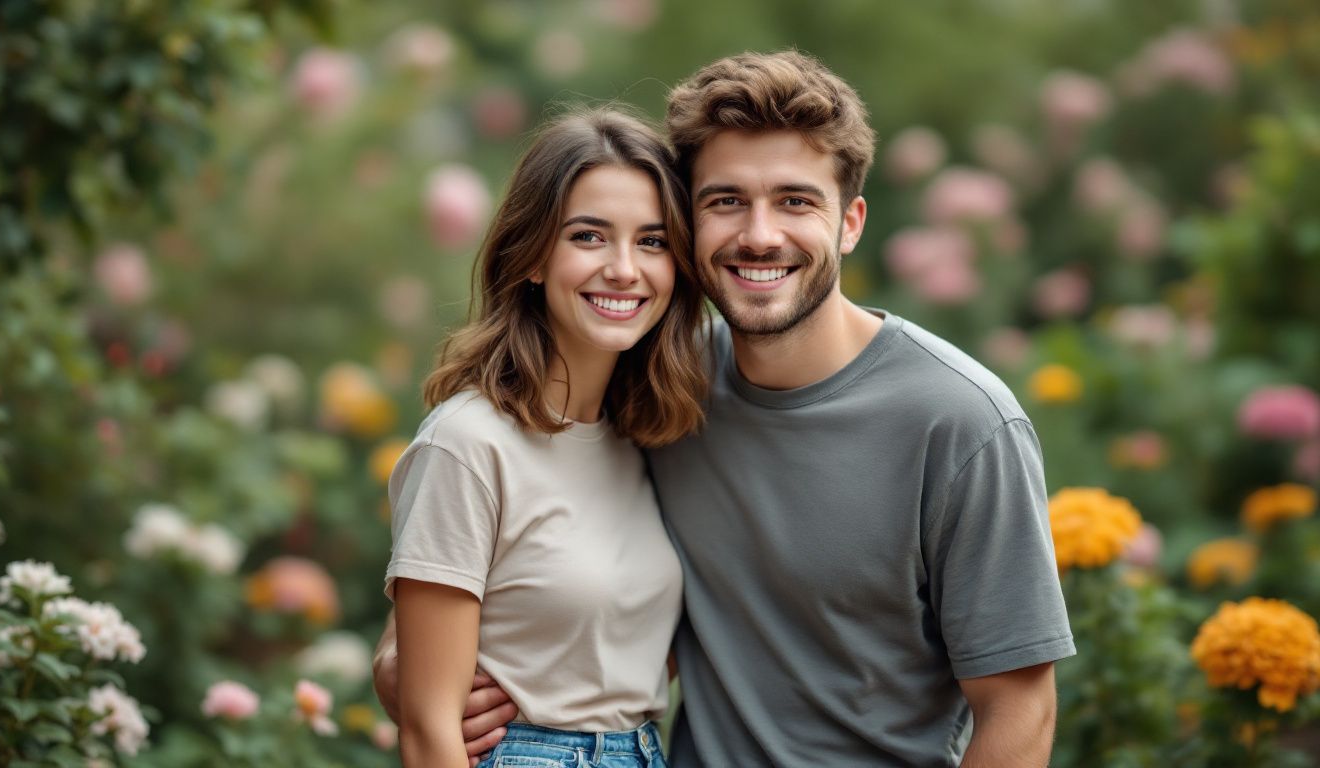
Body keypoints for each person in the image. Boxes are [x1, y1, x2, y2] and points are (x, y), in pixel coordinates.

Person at [378, 51, 1075, 768]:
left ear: (851, 222)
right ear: (689, 222)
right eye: (726, 201)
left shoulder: (961, 422)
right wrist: (406, 659)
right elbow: (498, 520)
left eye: (796, 201)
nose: (760, 235)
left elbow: (1020, 707)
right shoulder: (663, 392)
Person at [384, 107, 708, 768]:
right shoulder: (468, 445)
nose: (624, 269)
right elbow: (428, 730)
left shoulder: (646, 436)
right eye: (589, 237)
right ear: (532, 255)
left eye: (651, 242)